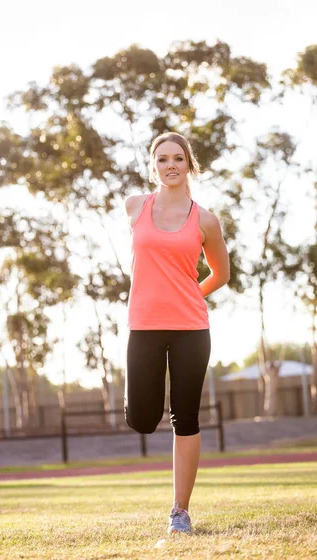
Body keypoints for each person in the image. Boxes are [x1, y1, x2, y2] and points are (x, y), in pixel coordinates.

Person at [124, 131, 230, 534]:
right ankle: (136, 404)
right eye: (163, 159)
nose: (171, 165)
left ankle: (180, 512)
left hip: (191, 328)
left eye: (178, 159)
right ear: (154, 166)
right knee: (142, 418)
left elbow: (221, 273)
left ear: (189, 165)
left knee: (184, 417)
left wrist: (190, 295)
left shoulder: (205, 219)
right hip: (144, 327)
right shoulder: (135, 207)